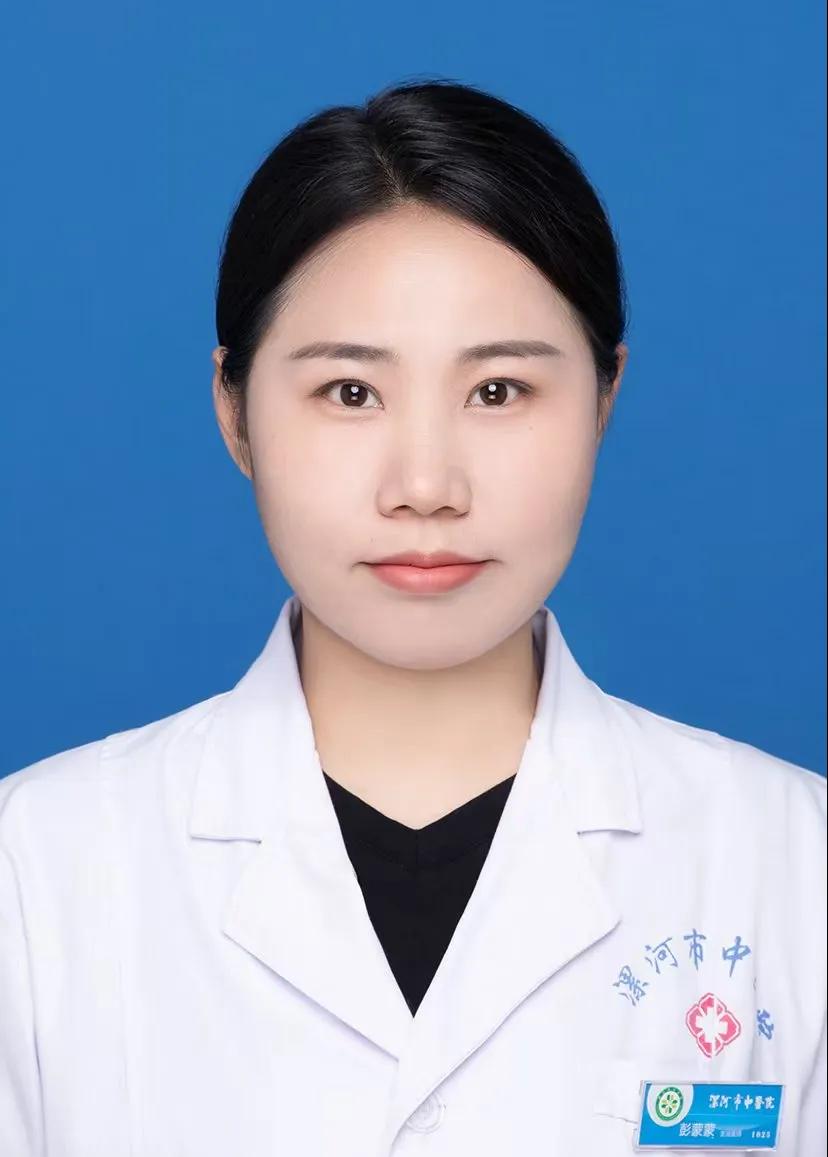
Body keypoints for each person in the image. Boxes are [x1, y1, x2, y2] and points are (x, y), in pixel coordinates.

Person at [1, 77, 824, 1157]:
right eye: (350, 392)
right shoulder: (34, 873)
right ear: (234, 411)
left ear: (604, 397)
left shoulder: (794, 866)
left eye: (499, 391)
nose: (427, 486)